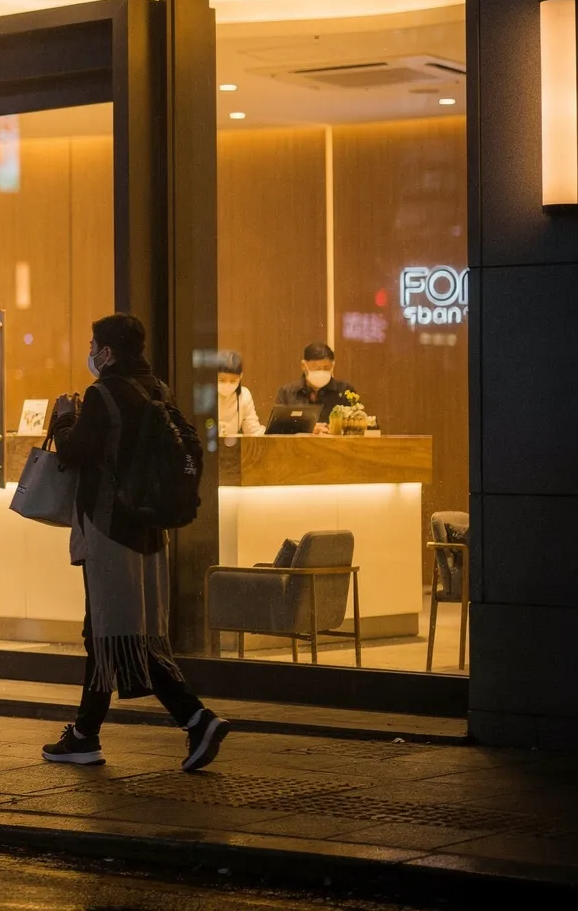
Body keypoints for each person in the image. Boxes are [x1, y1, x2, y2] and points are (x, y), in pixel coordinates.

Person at [42, 313, 229, 772]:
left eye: (94, 345)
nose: (91, 352)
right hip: (148, 527)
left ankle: (195, 717)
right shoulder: (157, 390)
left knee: (113, 633)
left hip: (109, 527)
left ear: (106, 352)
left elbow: (75, 453)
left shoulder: (103, 394)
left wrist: (65, 421)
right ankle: (86, 733)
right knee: (117, 632)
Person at [274, 341, 360, 433]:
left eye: (326, 368)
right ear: (304, 366)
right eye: (317, 368)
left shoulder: (345, 391)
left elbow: (361, 425)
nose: (322, 372)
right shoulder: (287, 392)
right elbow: (275, 429)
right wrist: (307, 429)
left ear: (332, 365)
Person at [215, 350, 265, 437]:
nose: (227, 384)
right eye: (222, 380)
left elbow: (253, 431)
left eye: (233, 380)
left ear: (241, 376)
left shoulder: (244, 395)